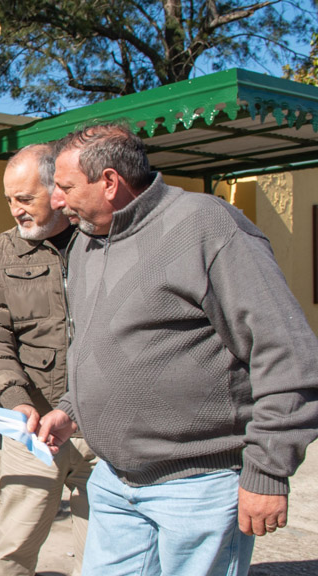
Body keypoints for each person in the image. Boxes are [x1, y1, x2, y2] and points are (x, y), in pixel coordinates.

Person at [39, 123, 318, 575]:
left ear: (110, 182)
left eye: (66, 187)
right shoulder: (88, 242)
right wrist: (72, 408)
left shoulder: (208, 226)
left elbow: (288, 355)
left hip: (199, 488)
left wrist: (267, 470)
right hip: (113, 482)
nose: (55, 200)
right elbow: (102, 342)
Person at [0, 144, 95, 576]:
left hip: (103, 428)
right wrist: (13, 398)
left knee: (105, 557)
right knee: (13, 553)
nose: (15, 211)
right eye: (9, 200)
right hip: (33, 430)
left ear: (58, 191)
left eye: (25, 199)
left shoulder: (104, 243)